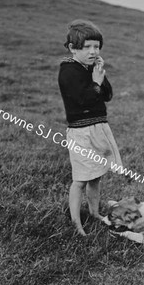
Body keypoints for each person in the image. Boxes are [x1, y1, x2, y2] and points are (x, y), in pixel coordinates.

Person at [58, 19, 122, 236]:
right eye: (87, 47)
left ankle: (94, 212)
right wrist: (95, 82)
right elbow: (83, 100)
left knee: (96, 175)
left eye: (96, 47)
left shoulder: (91, 68)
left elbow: (108, 96)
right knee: (80, 180)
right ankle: (77, 224)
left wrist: (100, 76)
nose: (93, 51)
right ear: (72, 48)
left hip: (98, 129)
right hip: (82, 132)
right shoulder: (68, 71)